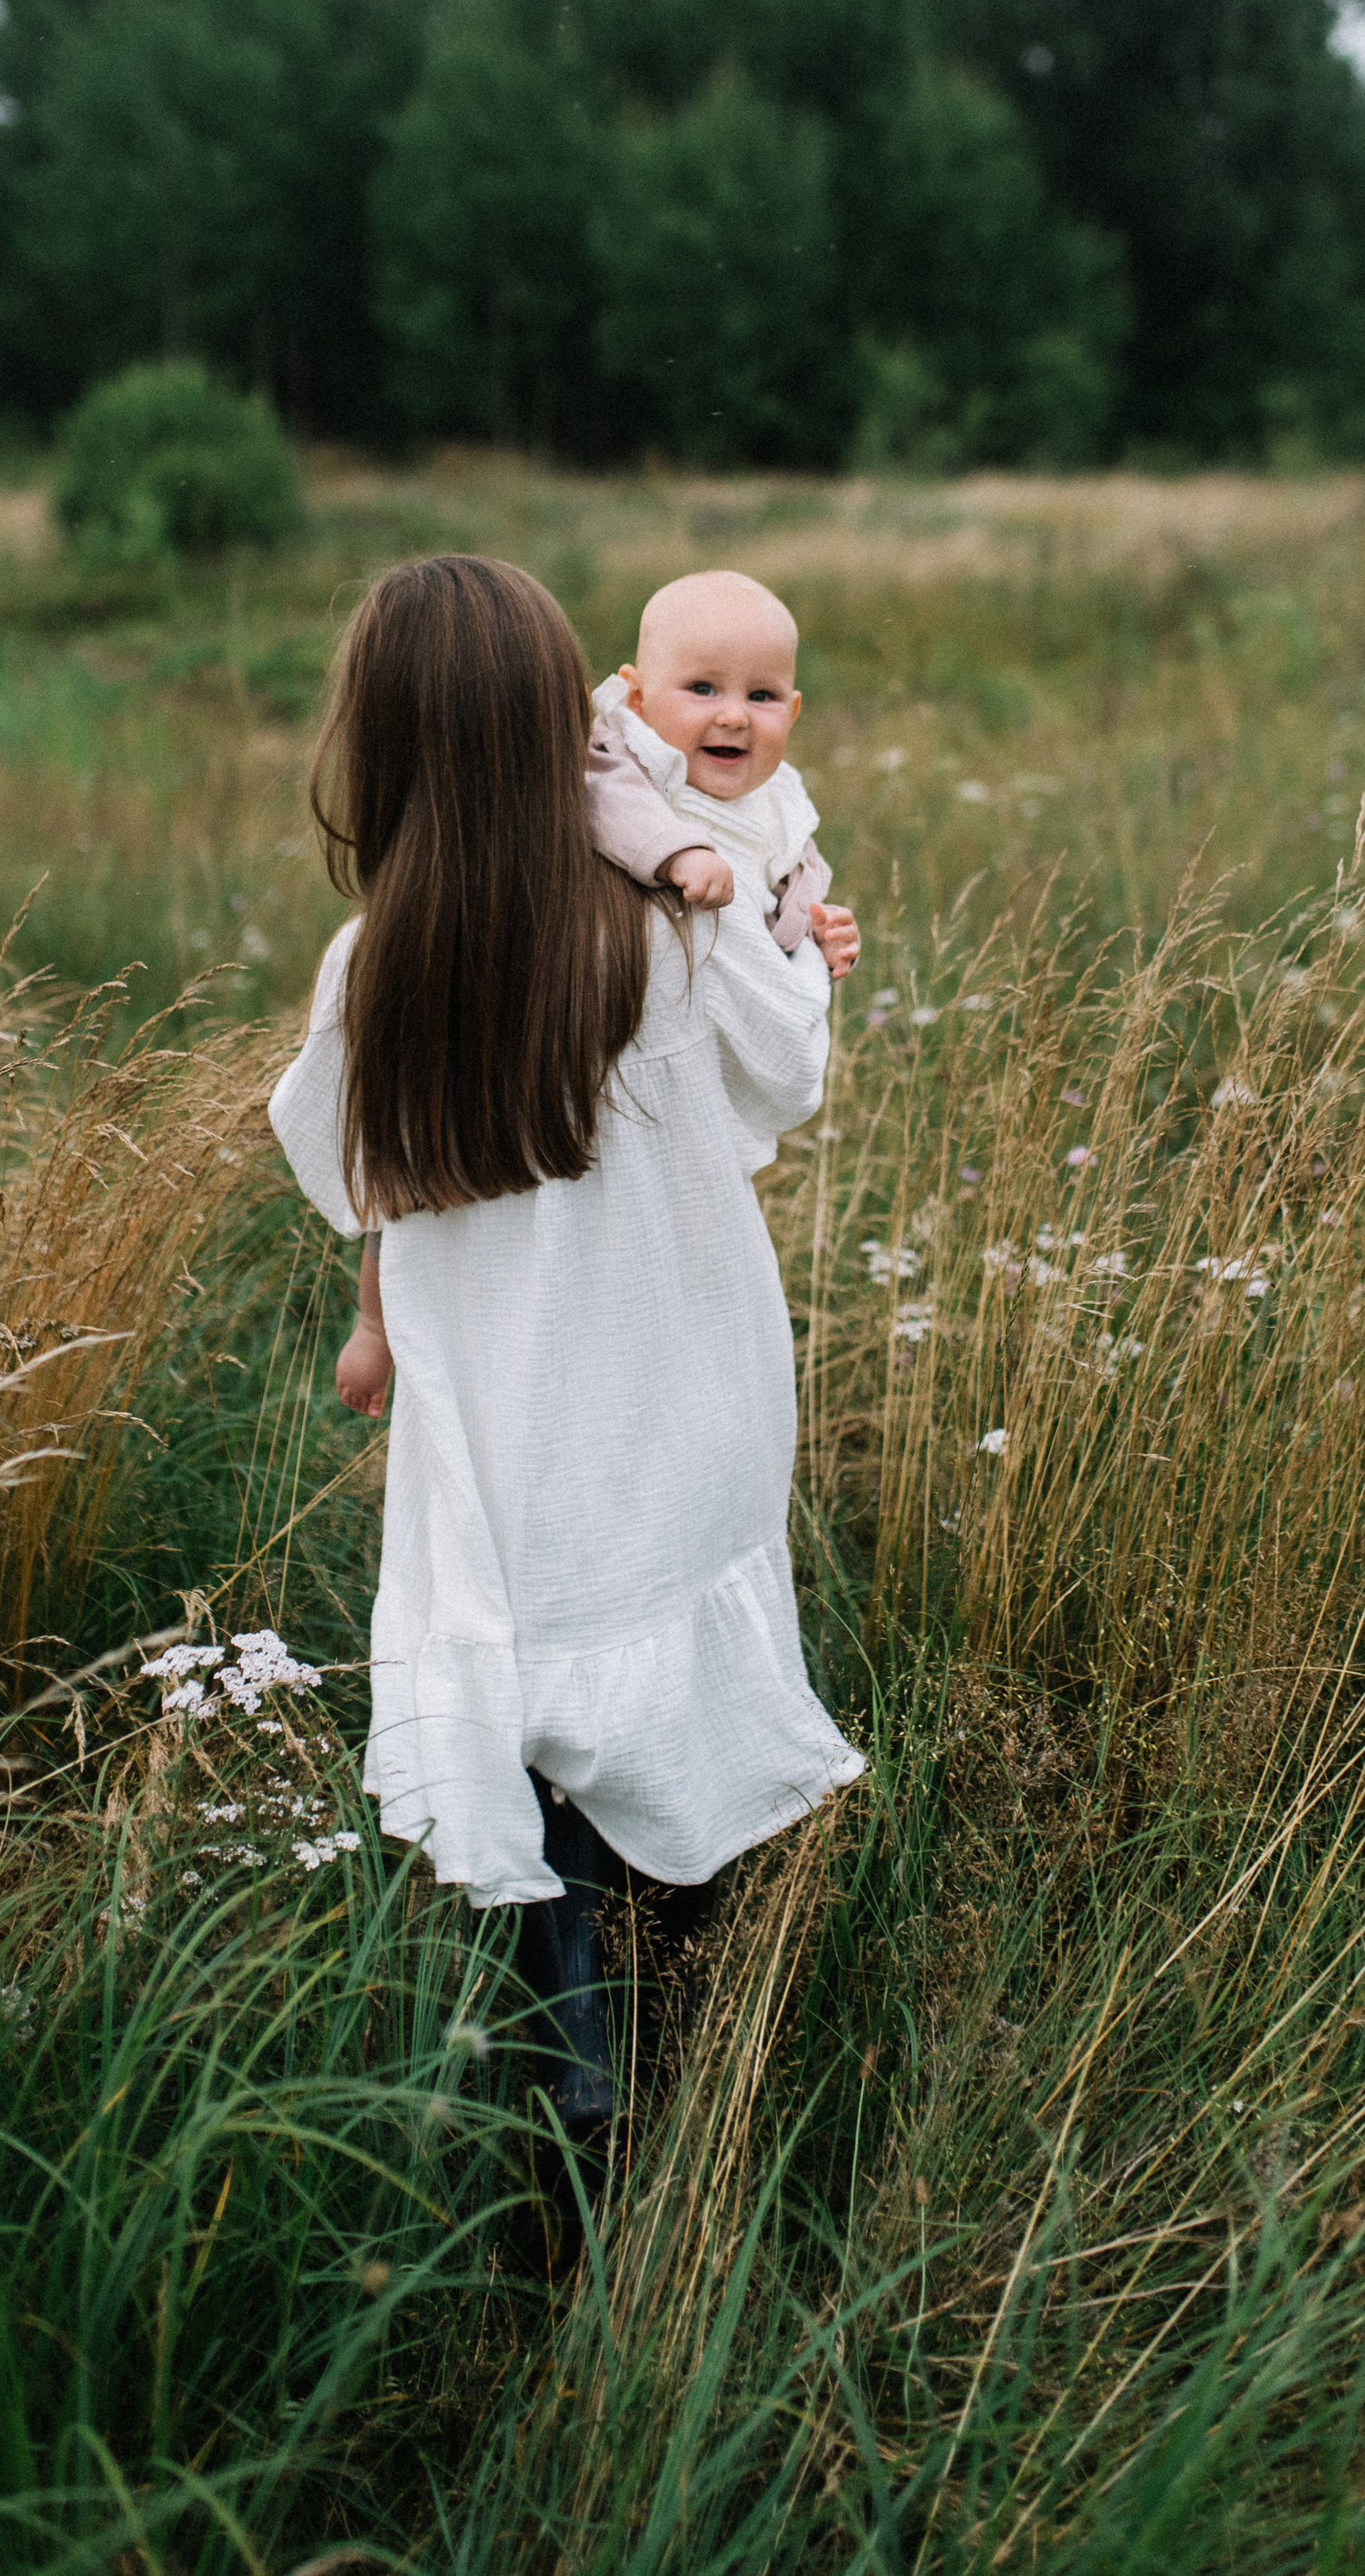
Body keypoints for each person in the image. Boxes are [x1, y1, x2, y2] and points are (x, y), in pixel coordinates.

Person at [267, 553, 863, 2135]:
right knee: (665, 1687)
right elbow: (787, 1083)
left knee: (538, 1696)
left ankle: (576, 2059)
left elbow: (354, 1169)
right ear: (569, 727)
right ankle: (676, 2030)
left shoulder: (376, 963)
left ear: (379, 745)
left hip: (511, 1413)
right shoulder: (664, 930)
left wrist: (377, 1319)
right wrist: (802, 953)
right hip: (692, 1381)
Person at [583, 567, 861, 977]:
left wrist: (818, 932)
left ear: (792, 713)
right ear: (638, 698)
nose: (734, 716)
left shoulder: (777, 800)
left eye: (761, 695)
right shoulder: (628, 760)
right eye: (702, 689)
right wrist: (678, 854)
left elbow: (779, 890)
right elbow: (606, 802)